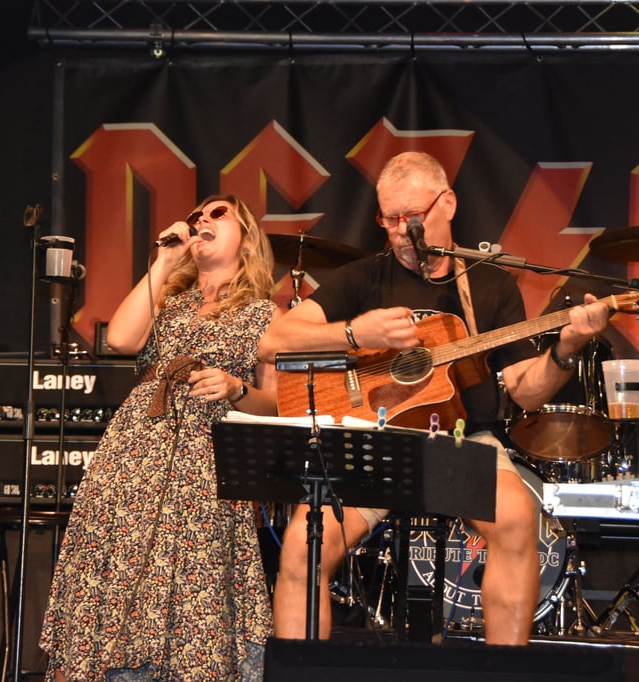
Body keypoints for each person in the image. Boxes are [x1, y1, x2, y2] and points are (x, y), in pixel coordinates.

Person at [257, 151, 611, 645]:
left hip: (462, 441)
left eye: (413, 216)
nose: (401, 230)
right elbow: (273, 339)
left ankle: (502, 674)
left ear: (447, 203)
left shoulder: (488, 284)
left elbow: (526, 391)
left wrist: (566, 350)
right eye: (390, 218)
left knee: (516, 519)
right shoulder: (365, 276)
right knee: (302, 545)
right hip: (374, 440)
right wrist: (356, 331)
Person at [40, 195, 281, 682]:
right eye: (197, 216)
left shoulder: (265, 314)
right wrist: (165, 260)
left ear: (248, 238)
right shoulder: (170, 299)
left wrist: (237, 389)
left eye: (218, 215)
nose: (201, 221)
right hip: (136, 452)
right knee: (115, 564)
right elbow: (122, 341)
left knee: (193, 578)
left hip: (207, 458)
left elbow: (277, 404)